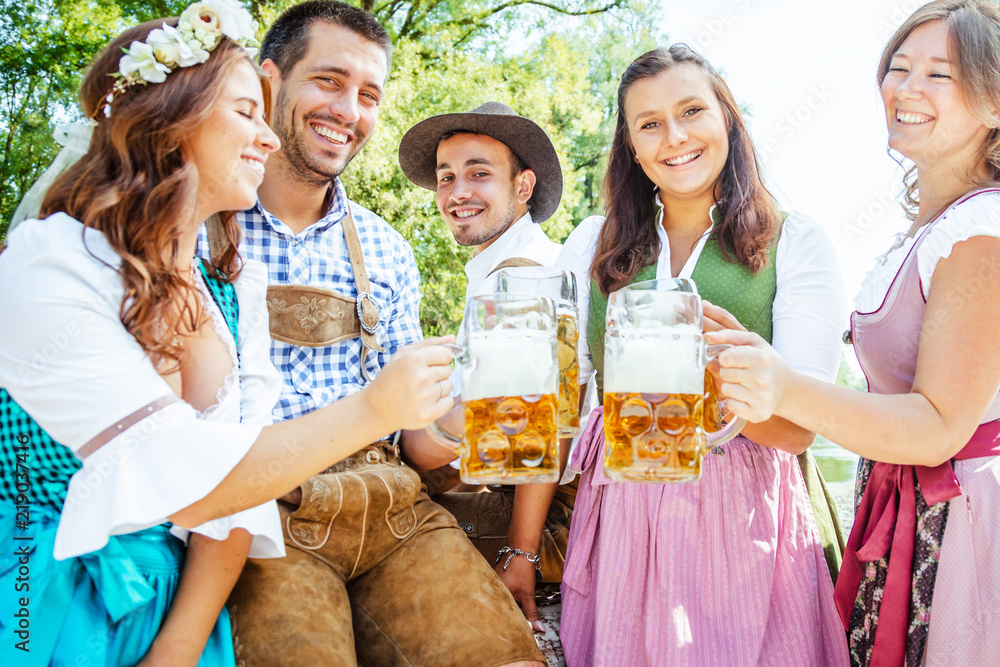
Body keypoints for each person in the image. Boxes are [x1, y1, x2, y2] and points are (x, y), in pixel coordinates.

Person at [0, 4, 454, 665]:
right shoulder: (48, 263)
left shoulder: (227, 291)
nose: (267, 138)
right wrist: (372, 409)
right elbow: (180, 473)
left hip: (177, 596)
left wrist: (177, 649)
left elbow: (236, 505)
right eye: (247, 112)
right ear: (171, 119)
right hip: (38, 585)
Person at [211, 4, 545, 665]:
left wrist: (462, 419)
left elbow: (417, 443)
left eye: (368, 94)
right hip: (265, 516)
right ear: (269, 83)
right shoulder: (206, 223)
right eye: (329, 81)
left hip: (392, 511)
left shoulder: (386, 250)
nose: (349, 110)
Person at [712, 2, 1000, 664]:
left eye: (940, 74)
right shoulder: (932, 232)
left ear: (994, 104)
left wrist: (782, 386)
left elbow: (937, 427)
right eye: (898, 68)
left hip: (963, 526)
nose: (906, 88)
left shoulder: (982, 230)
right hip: (906, 511)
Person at [555, 45, 850, 665]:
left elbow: (799, 427)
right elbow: (556, 405)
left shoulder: (794, 240)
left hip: (747, 523)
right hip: (624, 520)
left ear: (728, 119)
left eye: (692, 111)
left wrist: (710, 379)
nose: (675, 137)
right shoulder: (591, 244)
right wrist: (524, 554)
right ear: (631, 146)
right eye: (649, 124)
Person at [398, 102, 572, 630]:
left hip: (551, 521)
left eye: (479, 173)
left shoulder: (525, 277)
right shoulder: (500, 268)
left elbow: (546, 436)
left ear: (523, 188)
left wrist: (522, 556)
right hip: (521, 496)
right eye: (446, 177)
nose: (458, 192)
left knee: (384, 525)